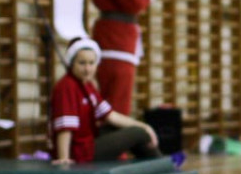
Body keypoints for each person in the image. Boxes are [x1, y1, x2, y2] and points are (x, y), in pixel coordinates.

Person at [51, 37, 163, 165]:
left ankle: (158, 165)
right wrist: (64, 158)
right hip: (80, 152)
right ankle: (162, 165)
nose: (87, 68)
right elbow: (65, 127)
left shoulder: (88, 86)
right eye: (82, 63)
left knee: (132, 129)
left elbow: (111, 116)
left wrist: (145, 126)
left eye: (91, 63)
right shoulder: (67, 86)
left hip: (89, 142)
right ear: (72, 63)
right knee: (139, 133)